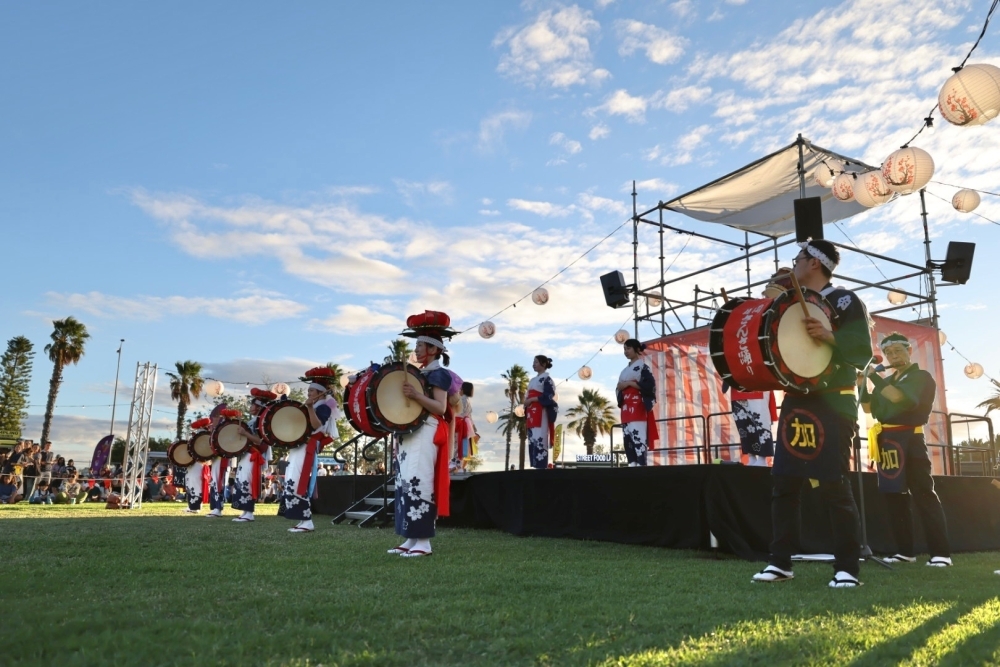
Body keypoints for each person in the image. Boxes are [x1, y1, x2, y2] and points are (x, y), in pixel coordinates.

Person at [753, 239, 873, 589]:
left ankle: (847, 567)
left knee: (834, 484)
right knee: (785, 484)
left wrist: (830, 335)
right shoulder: (790, 300)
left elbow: (863, 353)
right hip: (797, 400)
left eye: (800, 257)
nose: (795, 262)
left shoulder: (845, 301)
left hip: (833, 400)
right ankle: (780, 562)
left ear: (815, 263)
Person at [861, 332, 952, 567]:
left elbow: (902, 400)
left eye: (898, 351)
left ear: (909, 351)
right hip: (887, 439)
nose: (893, 356)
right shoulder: (888, 380)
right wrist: (862, 383)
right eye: (889, 352)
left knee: (923, 493)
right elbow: (870, 408)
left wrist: (876, 380)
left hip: (910, 439)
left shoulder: (920, 376)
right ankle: (904, 550)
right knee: (894, 496)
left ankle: (941, 553)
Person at [386, 311, 457, 557]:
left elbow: (440, 407)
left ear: (434, 350)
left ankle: (424, 541)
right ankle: (410, 536)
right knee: (405, 481)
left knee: (420, 480)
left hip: (427, 431)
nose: (415, 350)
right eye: (415, 345)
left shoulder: (439, 374)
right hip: (411, 432)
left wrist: (415, 395)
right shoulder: (422, 374)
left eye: (420, 345)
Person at [282, 369, 337, 533]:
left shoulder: (325, 406)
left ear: (320, 393)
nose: (309, 393)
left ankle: (307, 521)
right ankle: (301, 519)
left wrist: (310, 408)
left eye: (311, 390)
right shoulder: (313, 405)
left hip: (308, 447)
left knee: (300, 481)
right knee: (292, 479)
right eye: (308, 391)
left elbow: (316, 425)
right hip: (300, 446)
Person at [232, 389, 276, 523]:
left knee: (248, 481)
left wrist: (245, 434)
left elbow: (261, 442)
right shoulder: (254, 421)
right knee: (242, 480)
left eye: (252, 405)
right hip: (247, 454)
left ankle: (249, 512)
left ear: (259, 407)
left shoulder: (261, 422)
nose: (250, 408)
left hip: (254, 454)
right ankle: (245, 511)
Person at [616, 339, 658, 467]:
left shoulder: (643, 367)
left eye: (628, 348)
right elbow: (618, 387)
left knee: (638, 439)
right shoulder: (624, 371)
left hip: (637, 406)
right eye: (624, 349)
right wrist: (621, 387)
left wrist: (629, 383)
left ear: (637, 350)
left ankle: (641, 466)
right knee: (628, 441)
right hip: (625, 408)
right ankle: (631, 465)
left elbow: (650, 385)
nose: (626, 351)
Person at [525, 356, 558, 469]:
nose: (533, 364)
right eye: (533, 362)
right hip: (531, 413)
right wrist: (526, 402)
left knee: (540, 438)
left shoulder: (547, 379)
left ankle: (541, 467)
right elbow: (527, 395)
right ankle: (535, 465)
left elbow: (549, 396)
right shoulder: (533, 380)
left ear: (544, 364)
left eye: (536, 362)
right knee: (532, 439)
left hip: (541, 411)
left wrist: (533, 399)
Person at [731, 389, 777, 466]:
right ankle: (751, 456)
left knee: (761, 423)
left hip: (757, 386)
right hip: (737, 387)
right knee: (743, 425)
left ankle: (762, 458)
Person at [183, 420, 212, 514]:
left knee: (196, 484)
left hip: (199, 463)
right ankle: (191, 506)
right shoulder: (199, 436)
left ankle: (196, 507)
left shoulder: (205, 436)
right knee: (190, 483)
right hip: (193, 463)